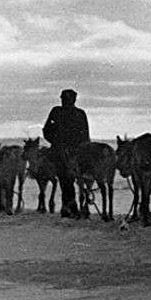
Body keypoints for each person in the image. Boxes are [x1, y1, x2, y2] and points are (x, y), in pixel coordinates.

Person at [42, 89, 90, 219]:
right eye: (64, 98)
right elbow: (46, 130)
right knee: (66, 180)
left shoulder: (73, 113)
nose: (65, 101)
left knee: (69, 181)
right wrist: (56, 143)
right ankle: (70, 207)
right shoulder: (60, 112)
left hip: (73, 152)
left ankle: (71, 208)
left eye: (67, 99)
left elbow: (85, 135)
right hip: (64, 151)